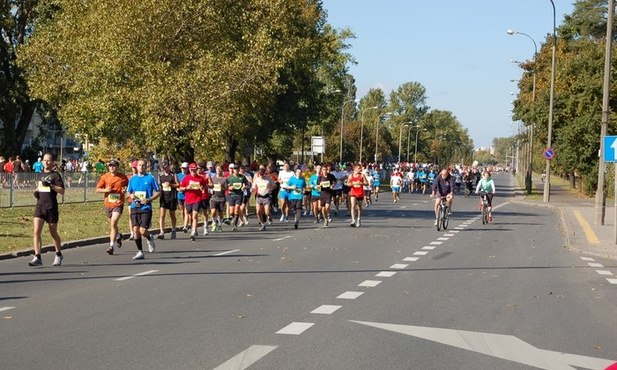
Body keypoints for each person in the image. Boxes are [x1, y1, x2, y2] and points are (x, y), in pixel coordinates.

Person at [28, 153, 65, 266]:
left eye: (48, 160)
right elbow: (38, 189)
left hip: (51, 207)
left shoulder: (55, 175)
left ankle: (58, 254)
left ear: (53, 162)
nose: (46, 162)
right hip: (40, 206)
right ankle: (37, 257)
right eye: (44, 160)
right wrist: (36, 192)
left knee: (53, 233)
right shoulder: (40, 175)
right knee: (36, 231)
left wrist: (51, 186)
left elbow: (62, 191)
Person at [126, 159, 161, 260]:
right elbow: (128, 192)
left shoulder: (150, 178)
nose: (141, 167)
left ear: (146, 167)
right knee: (135, 230)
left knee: (143, 230)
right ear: (136, 167)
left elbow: (158, 191)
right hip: (135, 206)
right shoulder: (132, 179)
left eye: (143, 165)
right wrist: (131, 195)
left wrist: (149, 199)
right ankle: (140, 251)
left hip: (146, 207)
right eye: (139, 165)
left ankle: (149, 237)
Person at [96, 159, 129, 255]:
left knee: (114, 222)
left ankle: (111, 246)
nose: (112, 167)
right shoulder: (104, 177)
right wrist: (106, 190)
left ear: (117, 167)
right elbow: (97, 189)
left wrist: (125, 189)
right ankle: (118, 236)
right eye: (110, 166)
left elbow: (128, 187)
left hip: (118, 203)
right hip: (108, 204)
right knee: (112, 225)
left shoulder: (123, 177)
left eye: (114, 166)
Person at [179, 163, 207, 241]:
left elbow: (204, 186)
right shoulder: (186, 178)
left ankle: (193, 232)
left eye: (195, 169)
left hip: (197, 199)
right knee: (190, 217)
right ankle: (193, 229)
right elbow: (180, 188)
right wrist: (186, 187)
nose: (193, 171)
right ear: (190, 170)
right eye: (192, 170)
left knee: (195, 216)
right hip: (188, 199)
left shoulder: (200, 178)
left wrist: (202, 188)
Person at [157, 160, 179, 239]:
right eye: (163, 167)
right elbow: (159, 185)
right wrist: (159, 187)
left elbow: (178, 185)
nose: (165, 168)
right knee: (162, 215)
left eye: (166, 167)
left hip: (172, 197)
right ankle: (161, 232)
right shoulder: (161, 175)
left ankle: (173, 229)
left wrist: (171, 185)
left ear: (169, 166)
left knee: (172, 215)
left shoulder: (173, 175)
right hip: (163, 197)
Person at [252, 164, 275, 231]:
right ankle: (262, 224)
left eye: (262, 174)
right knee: (258, 212)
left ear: (264, 173)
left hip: (266, 197)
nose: (261, 175)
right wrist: (252, 190)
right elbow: (253, 187)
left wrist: (270, 189)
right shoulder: (257, 180)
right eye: (260, 174)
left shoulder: (268, 179)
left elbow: (275, 185)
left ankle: (269, 216)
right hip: (259, 197)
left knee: (267, 212)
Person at [226, 163, 249, 230]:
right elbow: (225, 186)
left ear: (239, 170)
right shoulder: (230, 177)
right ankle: (233, 218)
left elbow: (247, 184)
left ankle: (235, 225)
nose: (236, 170)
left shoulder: (242, 177)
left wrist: (244, 187)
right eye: (234, 169)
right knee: (231, 212)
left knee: (237, 209)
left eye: (237, 169)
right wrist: (229, 188)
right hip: (231, 195)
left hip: (239, 195)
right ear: (233, 170)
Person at [209, 164, 229, 232]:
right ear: (215, 169)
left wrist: (222, 187)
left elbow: (226, 188)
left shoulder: (224, 179)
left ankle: (220, 225)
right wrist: (211, 189)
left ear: (222, 170)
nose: (219, 170)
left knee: (220, 213)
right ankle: (214, 222)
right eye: (217, 169)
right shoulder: (212, 178)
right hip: (214, 197)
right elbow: (210, 186)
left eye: (220, 169)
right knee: (213, 212)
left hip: (221, 198)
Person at [177, 162, 190, 232]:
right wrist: (177, 188)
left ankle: (185, 225)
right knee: (182, 211)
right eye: (182, 168)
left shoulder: (189, 176)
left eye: (185, 168)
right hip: (179, 195)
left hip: (187, 195)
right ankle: (184, 222)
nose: (183, 169)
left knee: (186, 211)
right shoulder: (178, 175)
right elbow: (176, 185)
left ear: (187, 169)